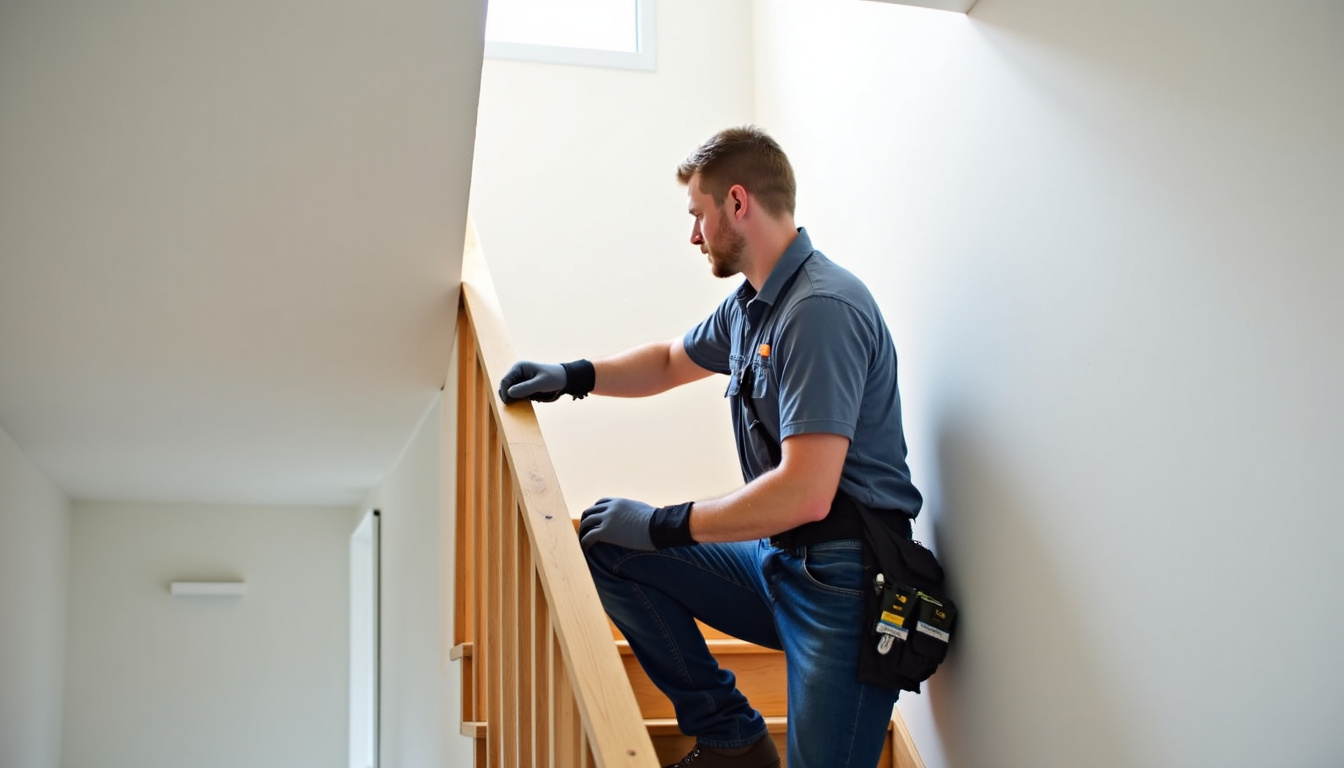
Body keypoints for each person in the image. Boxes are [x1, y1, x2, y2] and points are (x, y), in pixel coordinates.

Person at [498, 126, 923, 768]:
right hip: (782, 561)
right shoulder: (752, 306)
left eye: (697, 215)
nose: (693, 235)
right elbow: (672, 360)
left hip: (845, 579)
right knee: (608, 542)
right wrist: (574, 376)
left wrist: (666, 525)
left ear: (737, 202)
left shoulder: (820, 309)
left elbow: (806, 493)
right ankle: (731, 734)